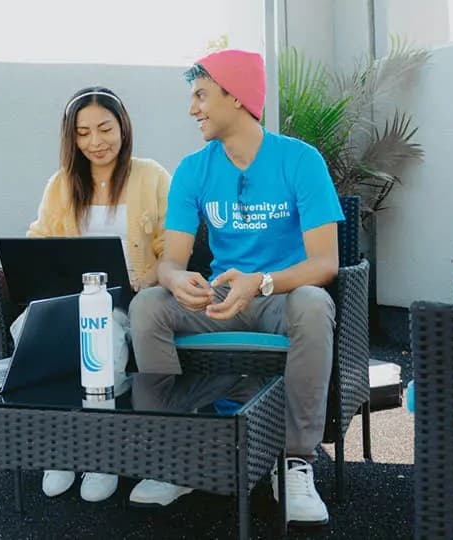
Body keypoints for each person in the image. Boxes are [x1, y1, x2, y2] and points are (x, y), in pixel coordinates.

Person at [128, 50, 343, 526]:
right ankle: (175, 456)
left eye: (202, 95)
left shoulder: (300, 160)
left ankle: (294, 461)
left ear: (238, 97)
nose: (193, 109)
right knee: (148, 308)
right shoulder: (193, 168)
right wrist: (174, 278)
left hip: (280, 296)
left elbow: (325, 263)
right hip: (222, 298)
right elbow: (171, 262)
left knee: (313, 303)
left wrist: (263, 281)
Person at [22, 86, 171, 503]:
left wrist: (148, 277)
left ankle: (101, 454)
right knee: (29, 329)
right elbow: (39, 240)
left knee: (101, 338)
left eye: (104, 128)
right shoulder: (62, 183)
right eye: (83, 133)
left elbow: (174, 248)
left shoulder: (151, 175)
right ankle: (63, 448)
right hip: (72, 298)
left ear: (123, 126)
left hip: (128, 301)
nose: (95, 142)